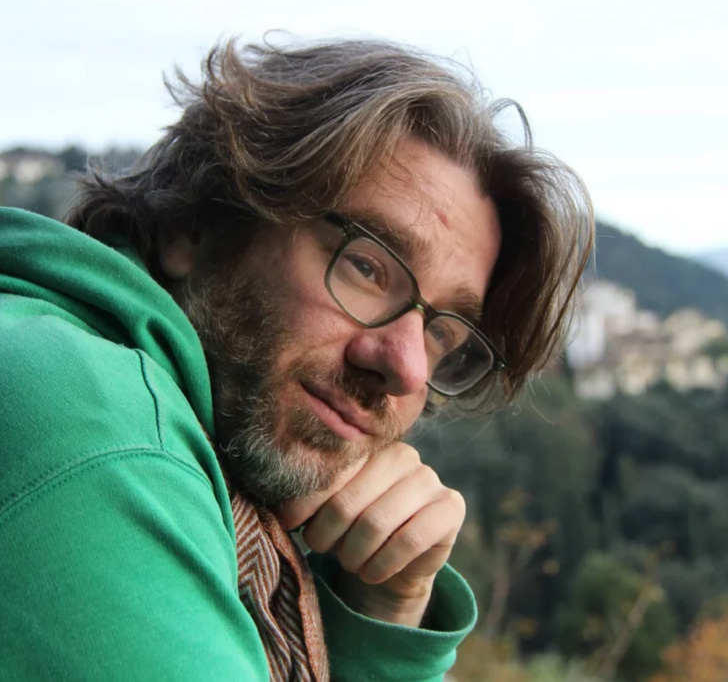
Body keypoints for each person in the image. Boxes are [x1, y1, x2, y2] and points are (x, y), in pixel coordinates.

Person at [0, 37, 592, 681]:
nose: (407, 367)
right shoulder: (97, 429)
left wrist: (382, 615)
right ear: (196, 225)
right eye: (367, 267)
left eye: (443, 334)